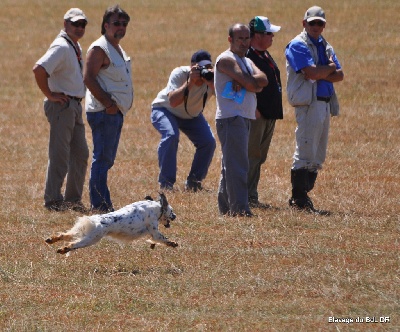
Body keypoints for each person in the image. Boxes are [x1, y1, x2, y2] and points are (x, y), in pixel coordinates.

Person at [285, 6, 344, 214]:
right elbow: (310, 72)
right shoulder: (297, 45)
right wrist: (327, 69)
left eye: (320, 23)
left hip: (324, 102)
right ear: (304, 23)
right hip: (309, 102)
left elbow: (340, 75)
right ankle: (298, 199)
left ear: (324, 25)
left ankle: (304, 196)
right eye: (312, 23)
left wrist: (322, 72)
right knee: (305, 150)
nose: (316, 26)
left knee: (318, 154)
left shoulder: (325, 45)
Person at [33, 8, 89, 212]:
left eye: (83, 24)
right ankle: (53, 201)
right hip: (62, 106)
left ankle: (73, 200)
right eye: (75, 24)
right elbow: (39, 69)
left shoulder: (74, 45)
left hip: (74, 105)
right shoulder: (61, 47)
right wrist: (50, 95)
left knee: (80, 153)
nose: (80, 28)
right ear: (65, 24)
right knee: (60, 154)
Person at [215, 24, 268, 217]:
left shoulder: (244, 60)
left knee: (231, 164)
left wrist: (250, 82)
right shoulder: (226, 60)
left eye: (247, 38)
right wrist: (250, 82)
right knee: (238, 166)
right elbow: (252, 83)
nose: (245, 43)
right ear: (230, 40)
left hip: (242, 116)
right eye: (240, 39)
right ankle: (240, 209)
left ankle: (227, 208)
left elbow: (263, 79)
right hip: (231, 117)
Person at [84, 5, 133, 213]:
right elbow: (88, 78)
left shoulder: (117, 48)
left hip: (113, 112)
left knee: (106, 159)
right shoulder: (99, 48)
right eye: (116, 24)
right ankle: (100, 206)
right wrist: (109, 104)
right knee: (102, 159)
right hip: (104, 112)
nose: (120, 27)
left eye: (124, 24)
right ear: (105, 25)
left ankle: (101, 203)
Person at [151, 50, 216, 191]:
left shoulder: (213, 77)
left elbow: (225, 98)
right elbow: (173, 101)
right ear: (192, 66)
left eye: (208, 67)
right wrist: (190, 82)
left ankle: (194, 182)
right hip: (165, 109)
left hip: (192, 116)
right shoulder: (180, 73)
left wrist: (212, 83)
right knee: (171, 135)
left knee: (208, 142)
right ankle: (166, 184)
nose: (204, 71)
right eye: (200, 68)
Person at [246, 16, 283, 209]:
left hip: (269, 115)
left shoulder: (264, 54)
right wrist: (255, 110)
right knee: (251, 156)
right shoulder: (248, 57)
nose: (272, 37)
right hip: (257, 116)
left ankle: (251, 194)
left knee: (259, 156)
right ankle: (247, 196)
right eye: (269, 33)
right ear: (258, 35)